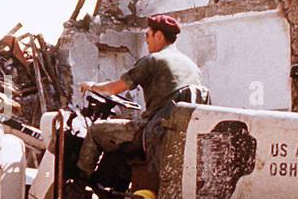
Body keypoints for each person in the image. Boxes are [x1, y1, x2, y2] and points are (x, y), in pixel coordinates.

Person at [75, 13, 207, 183]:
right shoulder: (192, 66)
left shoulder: (153, 61)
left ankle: (78, 185)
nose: (146, 40)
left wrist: (92, 86)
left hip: (154, 131)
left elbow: (114, 88)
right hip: (177, 133)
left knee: (96, 130)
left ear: (158, 35)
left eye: (147, 35)